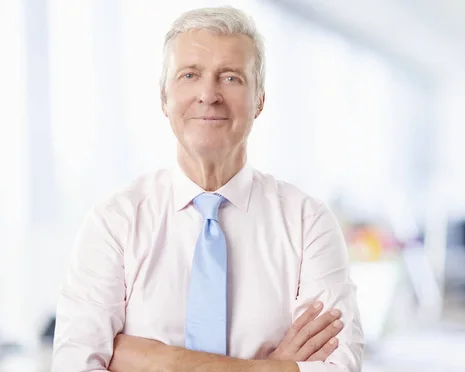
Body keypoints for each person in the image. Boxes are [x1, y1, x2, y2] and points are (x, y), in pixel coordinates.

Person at [51, 6, 363, 372]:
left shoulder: (307, 222)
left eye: (230, 78)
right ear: (163, 98)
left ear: (260, 99)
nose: (208, 94)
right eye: (189, 75)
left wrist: (158, 361)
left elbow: (338, 367)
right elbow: (74, 365)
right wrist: (272, 367)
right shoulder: (115, 221)